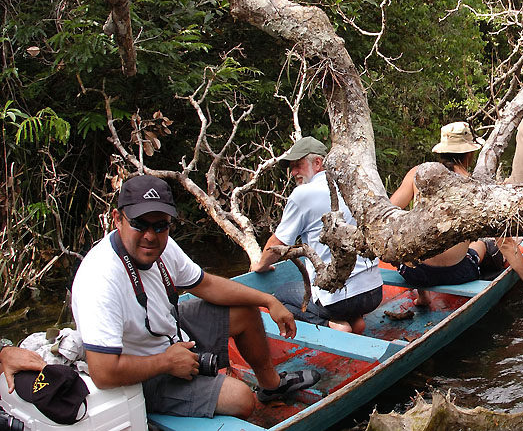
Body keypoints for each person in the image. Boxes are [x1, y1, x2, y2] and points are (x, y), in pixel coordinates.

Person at [71, 175, 320, 419]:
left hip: (167, 329)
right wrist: (166, 363)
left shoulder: (163, 246)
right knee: (241, 400)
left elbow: (207, 284)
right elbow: (103, 372)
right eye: (139, 224)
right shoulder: (101, 278)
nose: (150, 235)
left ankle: (271, 385)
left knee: (245, 308)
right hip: (138, 372)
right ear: (118, 219)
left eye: (160, 226)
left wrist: (267, 300)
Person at [390, 122, 523, 304]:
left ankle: (422, 296)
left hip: (414, 273)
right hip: (458, 274)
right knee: (481, 244)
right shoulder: (476, 189)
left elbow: (388, 212)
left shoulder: (417, 174)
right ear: (469, 154)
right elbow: (504, 243)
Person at [251, 137, 382, 334]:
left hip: (338, 301)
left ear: (318, 163)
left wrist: (260, 265)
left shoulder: (303, 194)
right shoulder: (351, 185)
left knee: (279, 296)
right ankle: (355, 319)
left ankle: (334, 325)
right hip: (374, 292)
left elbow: (278, 243)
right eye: (292, 167)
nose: (294, 173)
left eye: (299, 165)